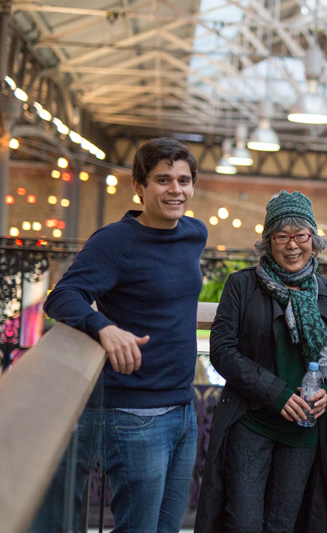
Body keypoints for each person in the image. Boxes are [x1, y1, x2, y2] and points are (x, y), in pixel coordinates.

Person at [32, 138, 207, 532]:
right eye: (163, 180)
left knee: (169, 528)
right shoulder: (115, 241)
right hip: (134, 414)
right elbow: (63, 296)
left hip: (184, 407)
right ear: (139, 186)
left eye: (184, 180)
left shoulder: (194, 233)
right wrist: (104, 327)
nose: (176, 190)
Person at [195, 191, 327, 533]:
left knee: (283, 524)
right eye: (281, 236)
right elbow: (222, 351)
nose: (292, 245)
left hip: (303, 431)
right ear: (268, 241)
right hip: (251, 422)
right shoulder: (242, 285)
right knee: (243, 522)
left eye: (300, 235)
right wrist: (276, 393)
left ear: (313, 239)